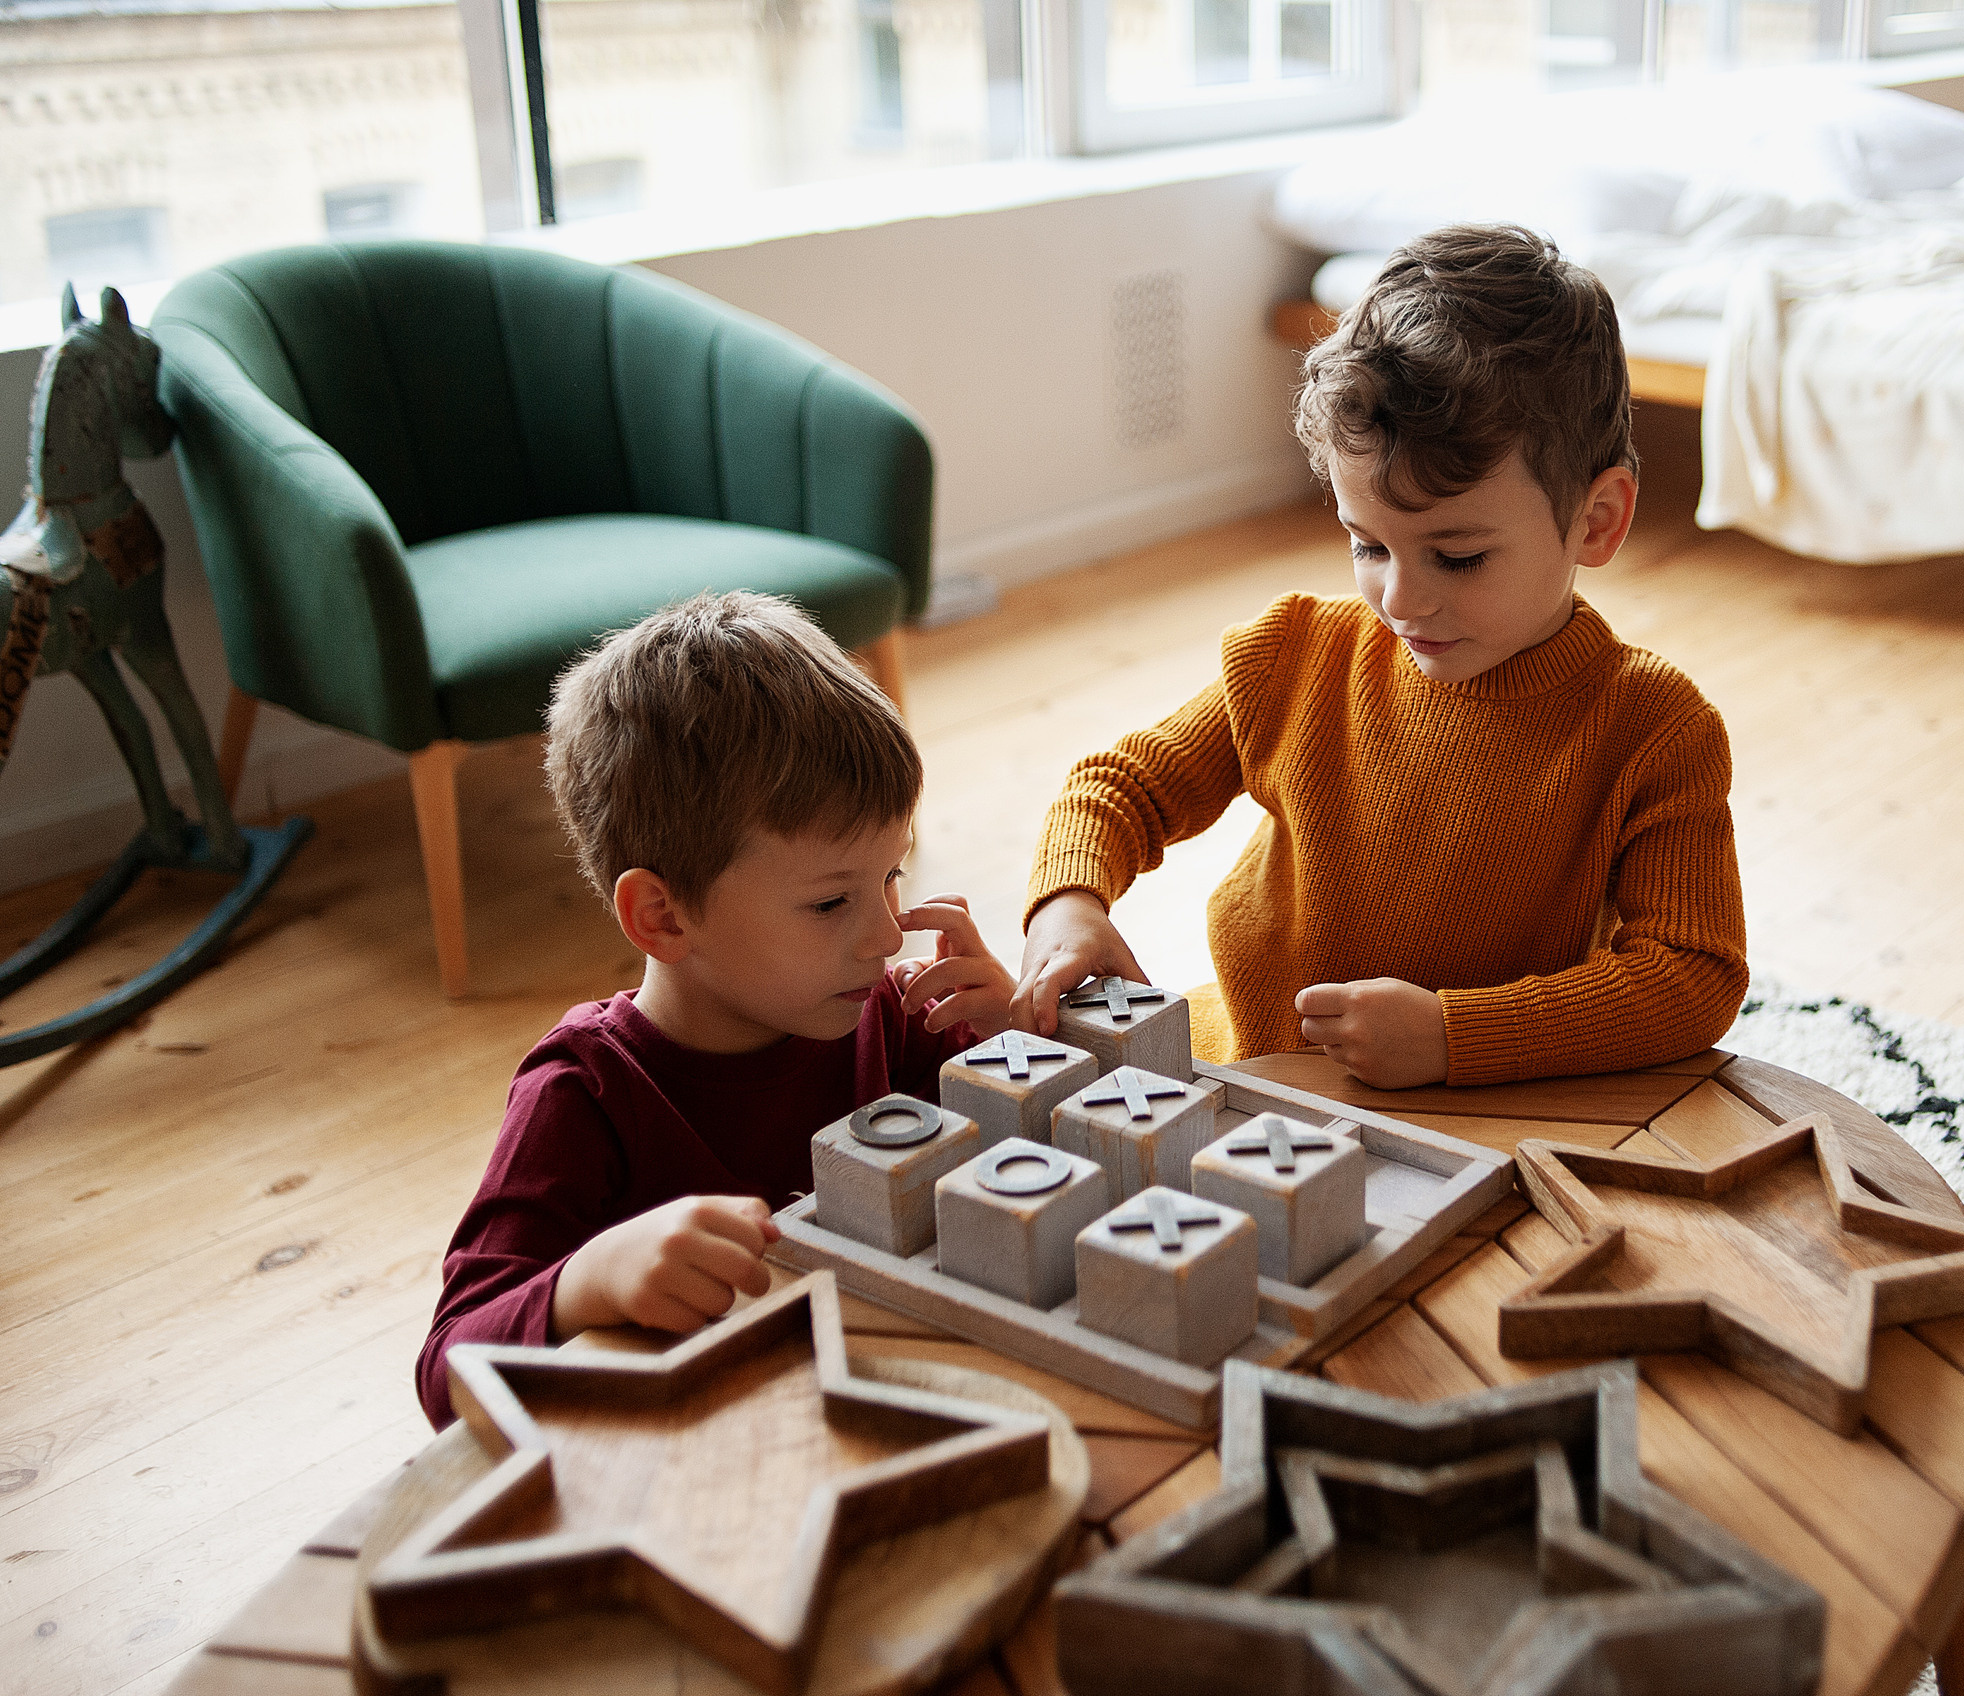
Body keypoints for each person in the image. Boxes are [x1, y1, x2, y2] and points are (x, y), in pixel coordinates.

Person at [1010, 224, 1746, 1090]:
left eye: (1457, 556)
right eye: (1368, 546)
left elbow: (1692, 976)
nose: (1401, 600)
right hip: (1247, 1076)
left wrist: (1454, 1037)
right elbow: (1119, 786)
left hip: (1470, 1120)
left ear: (1596, 521)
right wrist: (1067, 904)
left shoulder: (1654, 729)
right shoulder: (1294, 654)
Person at [415, 591, 1012, 1428]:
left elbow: (1009, 1196)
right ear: (663, 916)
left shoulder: (888, 1014)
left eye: (891, 877)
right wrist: (584, 1282)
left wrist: (1011, 1044)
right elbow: (446, 1372)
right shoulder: (581, 1094)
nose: (885, 936)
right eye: (830, 903)